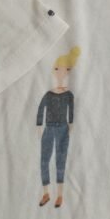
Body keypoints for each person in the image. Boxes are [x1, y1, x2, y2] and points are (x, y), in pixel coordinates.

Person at [36, 46, 80, 208]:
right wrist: (39, 125)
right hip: (48, 128)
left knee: (60, 160)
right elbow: (41, 109)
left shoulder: (69, 95)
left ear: (67, 71)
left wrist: (71, 124)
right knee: (44, 160)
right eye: (56, 69)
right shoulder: (48, 94)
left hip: (62, 128)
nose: (59, 72)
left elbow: (72, 111)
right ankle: (46, 193)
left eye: (62, 69)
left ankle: (60, 195)